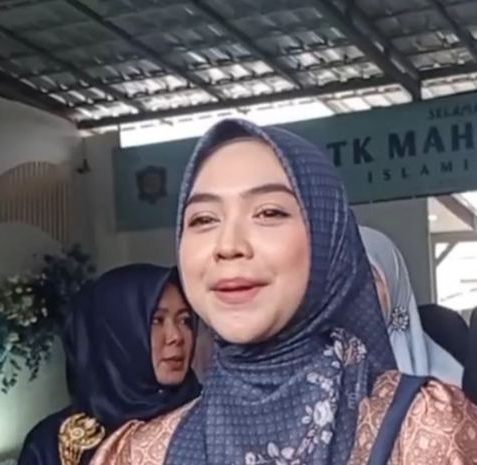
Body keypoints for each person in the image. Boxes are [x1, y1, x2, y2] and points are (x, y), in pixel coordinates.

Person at [90, 119, 477, 465]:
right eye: (204, 219)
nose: (229, 245)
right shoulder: (139, 453)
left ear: (328, 238)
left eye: (269, 213)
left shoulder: (422, 433)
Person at [18, 264, 200, 465]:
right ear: (117, 334)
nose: (176, 336)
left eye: (184, 320)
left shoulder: (211, 419)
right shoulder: (50, 444)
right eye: (157, 320)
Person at [359, 226, 464, 386]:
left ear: (393, 284)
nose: (357, 293)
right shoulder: (328, 371)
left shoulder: (447, 380)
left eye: (370, 279)